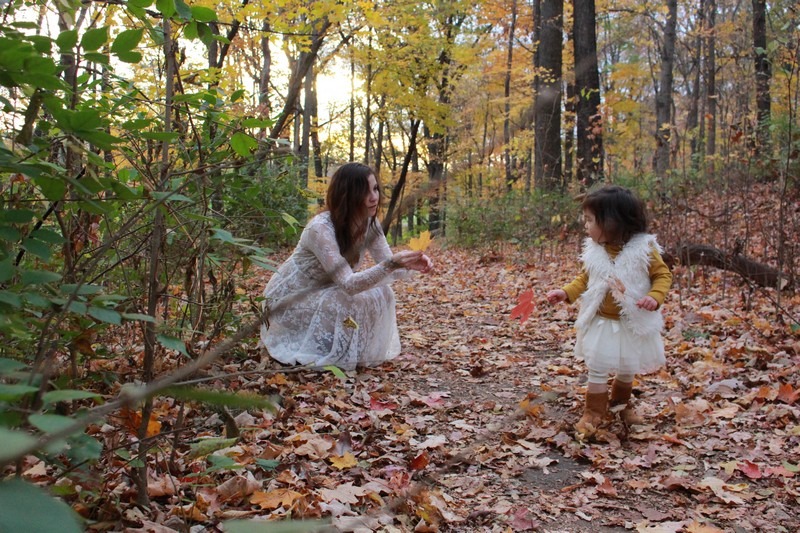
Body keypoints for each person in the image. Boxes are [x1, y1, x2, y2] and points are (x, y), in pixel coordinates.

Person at [259, 162, 433, 371]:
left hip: (327, 289)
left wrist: (412, 263)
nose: (373, 197)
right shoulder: (320, 228)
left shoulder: (370, 224)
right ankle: (326, 349)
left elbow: (388, 266)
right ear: (346, 195)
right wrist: (392, 264)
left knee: (381, 292)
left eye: (375, 188)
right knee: (348, 298)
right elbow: (350, 284)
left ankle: (351, 351)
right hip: (292, 297)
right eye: (364, 191)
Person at [545, 185, 672, 438]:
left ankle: (621, 405)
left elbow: (662, 275)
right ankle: (593, 411)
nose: (586, 226)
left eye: (590, 221)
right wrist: (566, 293)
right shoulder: (594, 251)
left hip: (631, 320)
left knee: (627, 367)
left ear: (613, 223)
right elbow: (584, 279)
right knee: (598, 365)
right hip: (602, 321)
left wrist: (654, 297)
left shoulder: (644, 249)